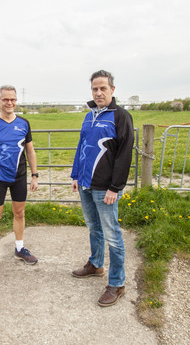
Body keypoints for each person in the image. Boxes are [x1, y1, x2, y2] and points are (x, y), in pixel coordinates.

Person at [71, 70, 134, 307]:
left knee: (113, 236)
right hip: (85, 184)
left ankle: (117, 284)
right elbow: (82, 145)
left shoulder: (121, 116)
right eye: (95, 89)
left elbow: (124, 155)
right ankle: (95, 264)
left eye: (103, 88)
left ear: (112, 90)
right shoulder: (89, 116)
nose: (98, 92)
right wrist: (75, 174)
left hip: (105, 188)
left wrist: (115, 187)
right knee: (93, 227)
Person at [0, 85, 39, 276]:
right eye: (5, 99)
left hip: (19, 177)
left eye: (13, 99)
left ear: (16, 101)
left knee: (19, 213)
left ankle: (19, 248)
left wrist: (34, 175)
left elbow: (30, 151)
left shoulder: (23, 123)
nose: (9, 103)